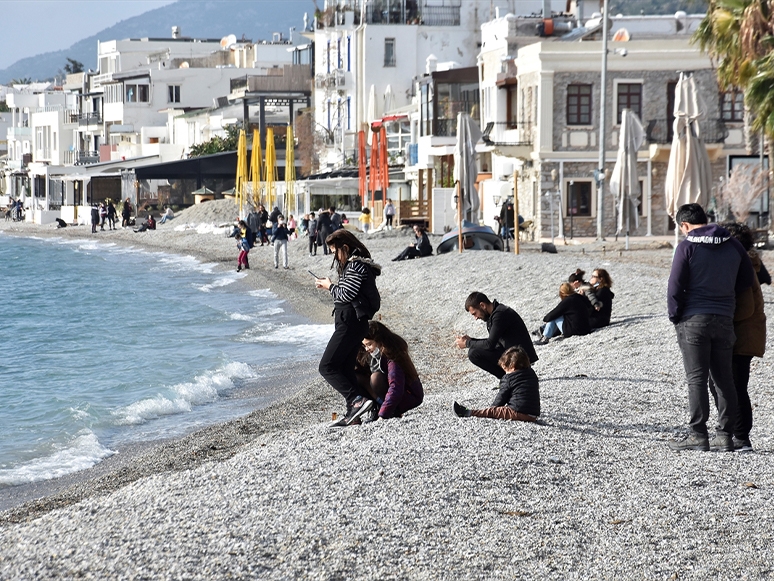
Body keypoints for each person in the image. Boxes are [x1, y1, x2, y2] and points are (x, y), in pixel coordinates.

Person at [667, 203, 754, 452]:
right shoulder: (733, 245)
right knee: (724, 379)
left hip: (693, 319)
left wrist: (675, 316)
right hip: (724, 317)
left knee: (697, 379)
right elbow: (747, 279)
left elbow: (674, 287)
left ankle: (698, 434)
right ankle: (725, 435)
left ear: (684, 225)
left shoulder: (687, 247)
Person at [707, 222, 766, 452]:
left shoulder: (741, 265)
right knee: (723, 384)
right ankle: (730, 432)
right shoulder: (742, 262)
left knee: (733, 385)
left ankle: (740, 436)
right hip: (742, 335)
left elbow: (745, 308)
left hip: (740, 336)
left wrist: (720, 321)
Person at [314, 229, 382, 426]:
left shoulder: (356, 266)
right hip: (354, 324)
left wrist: (329, 286)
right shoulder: (357, 266)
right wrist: (332, 287)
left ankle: (357, 400)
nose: (334, 256)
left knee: (326, 366)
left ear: (345, 247)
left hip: (350, 324)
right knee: (345, 368)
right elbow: (348, 293)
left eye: (335, 251)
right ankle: (354, 413)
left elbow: (345, 295)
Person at [455, 292, 538, 380]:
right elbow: (493, 342)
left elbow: (490, 344)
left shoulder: (500, 314)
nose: (475, 318)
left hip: (520, 357)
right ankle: (508, 378)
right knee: (474, 350)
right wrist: (472, 340)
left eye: (474, 313)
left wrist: (467, 343)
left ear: (482, 305)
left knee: (474, 353)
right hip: (513, 352)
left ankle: (510, 379)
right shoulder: (494, 314)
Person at [357, 320, 424, 421]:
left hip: (410, 395)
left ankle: (391, 410)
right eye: (364, 345)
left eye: (369, 344)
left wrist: (383, 415)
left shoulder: (392, 355)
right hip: (395, 392)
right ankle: (376, 408)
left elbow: (396, 386)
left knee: (376, 378)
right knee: (355, 376)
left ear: (379, 341)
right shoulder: (374, 353)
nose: (367, 349)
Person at [453, 346, 540, 422]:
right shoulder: (531, 373)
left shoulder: (509, 378)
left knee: (492, 412)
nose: (505, 373)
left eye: (506, 369)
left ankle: (467, 413)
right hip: (533, 414)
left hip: (519, 412)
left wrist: (493, 408)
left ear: (512, 366)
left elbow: (502, 396)